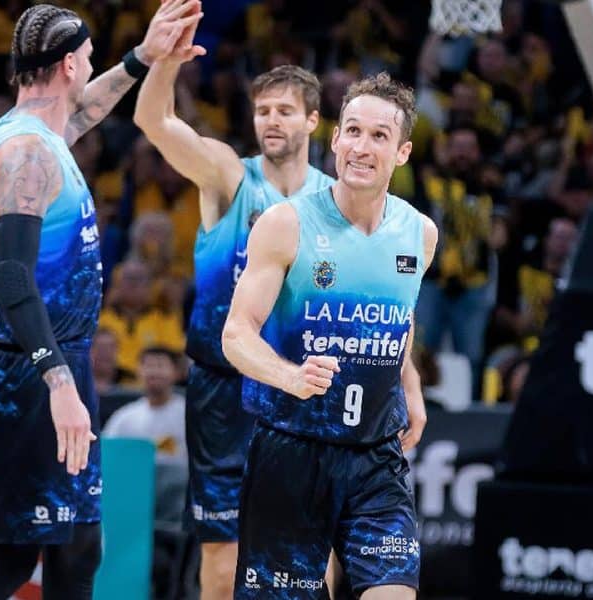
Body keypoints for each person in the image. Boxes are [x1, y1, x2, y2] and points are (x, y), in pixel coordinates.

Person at [0, 2, 203, 598]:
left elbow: (86, 109)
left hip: (57, 362)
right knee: (13, 553)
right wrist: (59, 381)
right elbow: (12, 278)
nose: (92, 68)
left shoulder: (39, 133)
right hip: (34, 372)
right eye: (88, 58)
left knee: (79, 546)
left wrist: (143, 57)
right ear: (67, 64)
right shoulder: (25, 155)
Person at [132, 29, 335, 600]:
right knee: (222, 554)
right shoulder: (228, 175)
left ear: (312, 121)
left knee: (311, 544)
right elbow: (154, 121)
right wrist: (166, 62)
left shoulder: (334, 201)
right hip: (224, 391)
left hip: (298, 390)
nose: (271, 120)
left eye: (285, 111)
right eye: (263, 111)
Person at [223, 72, 438, 599]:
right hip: (292, 451)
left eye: (380, 136)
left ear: (403, 151)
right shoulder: (285, 224)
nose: (363, 147)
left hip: (376, 456)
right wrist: (290, 375)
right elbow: (236, 335)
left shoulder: (420, 234)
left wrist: (410, 385)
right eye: (354, 132)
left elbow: (399, 319)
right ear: (336, 138)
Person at [103, 346, 187, 466]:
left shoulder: (189, 414)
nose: (154, 372)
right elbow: (108, 453)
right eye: (149, 366)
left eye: (160, 365)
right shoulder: (124, 416)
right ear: (139, 371)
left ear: (176, 372)